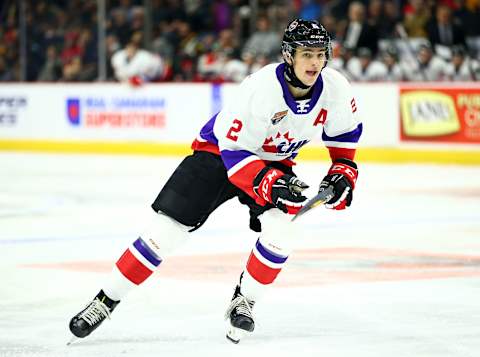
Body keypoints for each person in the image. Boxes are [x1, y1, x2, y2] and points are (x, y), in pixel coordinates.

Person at [68, 18, 362, 344]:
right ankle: (105, 300)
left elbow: (344, 137)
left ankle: (244, 300)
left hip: (273, 162)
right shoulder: (259, 88)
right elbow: (235, 155)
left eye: (321, 54)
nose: (315, 62)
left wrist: (342, 173)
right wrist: (268, 182)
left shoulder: (335, 88)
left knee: (284, 231)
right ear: (289, 55)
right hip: (218, 155)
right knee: (164, 234)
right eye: (307, 54)